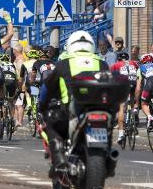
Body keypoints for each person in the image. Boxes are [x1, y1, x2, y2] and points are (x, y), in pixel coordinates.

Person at [41, 31, 108, 169]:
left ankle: (59, 158)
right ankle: (107, 154)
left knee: (52, 124)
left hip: (71, 109)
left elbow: (47, 88)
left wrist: (42, 106)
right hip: (101, 109)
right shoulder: (102, 63)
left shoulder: (63, 64)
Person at [110, 52, 139, 144]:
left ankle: (121, 134)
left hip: (124, 84)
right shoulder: (133, 63)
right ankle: (134, 109)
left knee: (121, 107)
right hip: (134, 84)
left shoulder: (115, 65)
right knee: (133, 95)